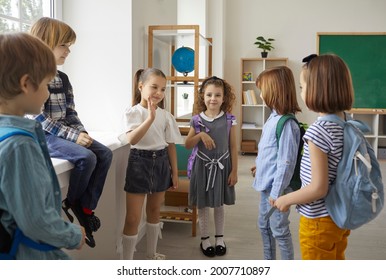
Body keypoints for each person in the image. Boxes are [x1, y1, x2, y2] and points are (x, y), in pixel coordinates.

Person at [0, 32, 85, 259]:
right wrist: (74, 235)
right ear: (26, 83)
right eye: (47, 84)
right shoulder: (19, 146)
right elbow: (36, 221)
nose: (48, 93)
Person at [29, 17, 113, 248]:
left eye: (69, 46)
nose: (68, 51)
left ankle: (85, 207)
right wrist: (74, 137)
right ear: (46, 43)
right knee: (86, 157)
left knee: (104, 153)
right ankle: (74, 202)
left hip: (64, 131)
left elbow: (71, 113)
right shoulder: (32, 76)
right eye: (64, 45)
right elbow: (37, 117)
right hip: (42, 135)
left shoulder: (63, 78)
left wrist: (82, 133)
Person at [274, 54, 353, 259]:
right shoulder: (345, 123)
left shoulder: (318, 131)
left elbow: (318, 187)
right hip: (339, 215)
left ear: (318, 89)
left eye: (302, 87)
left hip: (318, 219)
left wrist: (286, 199)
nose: (301, 93)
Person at [121, 68, 182, 260]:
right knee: (132, 218)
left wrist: (174, 173)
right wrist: (149, 118)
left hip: (162, 162)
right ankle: (127, 262)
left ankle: (151, 254)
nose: (159, 93)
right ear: (141, 86)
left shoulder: (166, 115)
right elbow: (132, 139)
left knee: (155, 210)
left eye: (163, 89)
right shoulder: (133, 112)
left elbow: (171, 145)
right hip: (139, 163)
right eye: (154, 87)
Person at [250, 66, 301, 260]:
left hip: (276, 190)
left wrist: (277, 192)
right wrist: (260, 165)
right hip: (267, 186)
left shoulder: (287, 123)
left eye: (262, 90)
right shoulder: (272, 117)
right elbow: (270, 150)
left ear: (274, 91)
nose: (260, 95)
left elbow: (286, 162)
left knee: (279, 230)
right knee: (264, 226)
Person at [185, 76, 238, 257]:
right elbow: (187, 144)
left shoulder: (230, 120)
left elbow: (233, 146)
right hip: (202, 167)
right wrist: (200, 136)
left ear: (224, 98)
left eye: (217, 95)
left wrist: (235, 170)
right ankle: (205, 239)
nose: (213, 98)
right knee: (203, 204)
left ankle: (219, 238)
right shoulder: (197, 120)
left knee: (218, 204)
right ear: (202, 96)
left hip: (222, 166)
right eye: (209, 94)